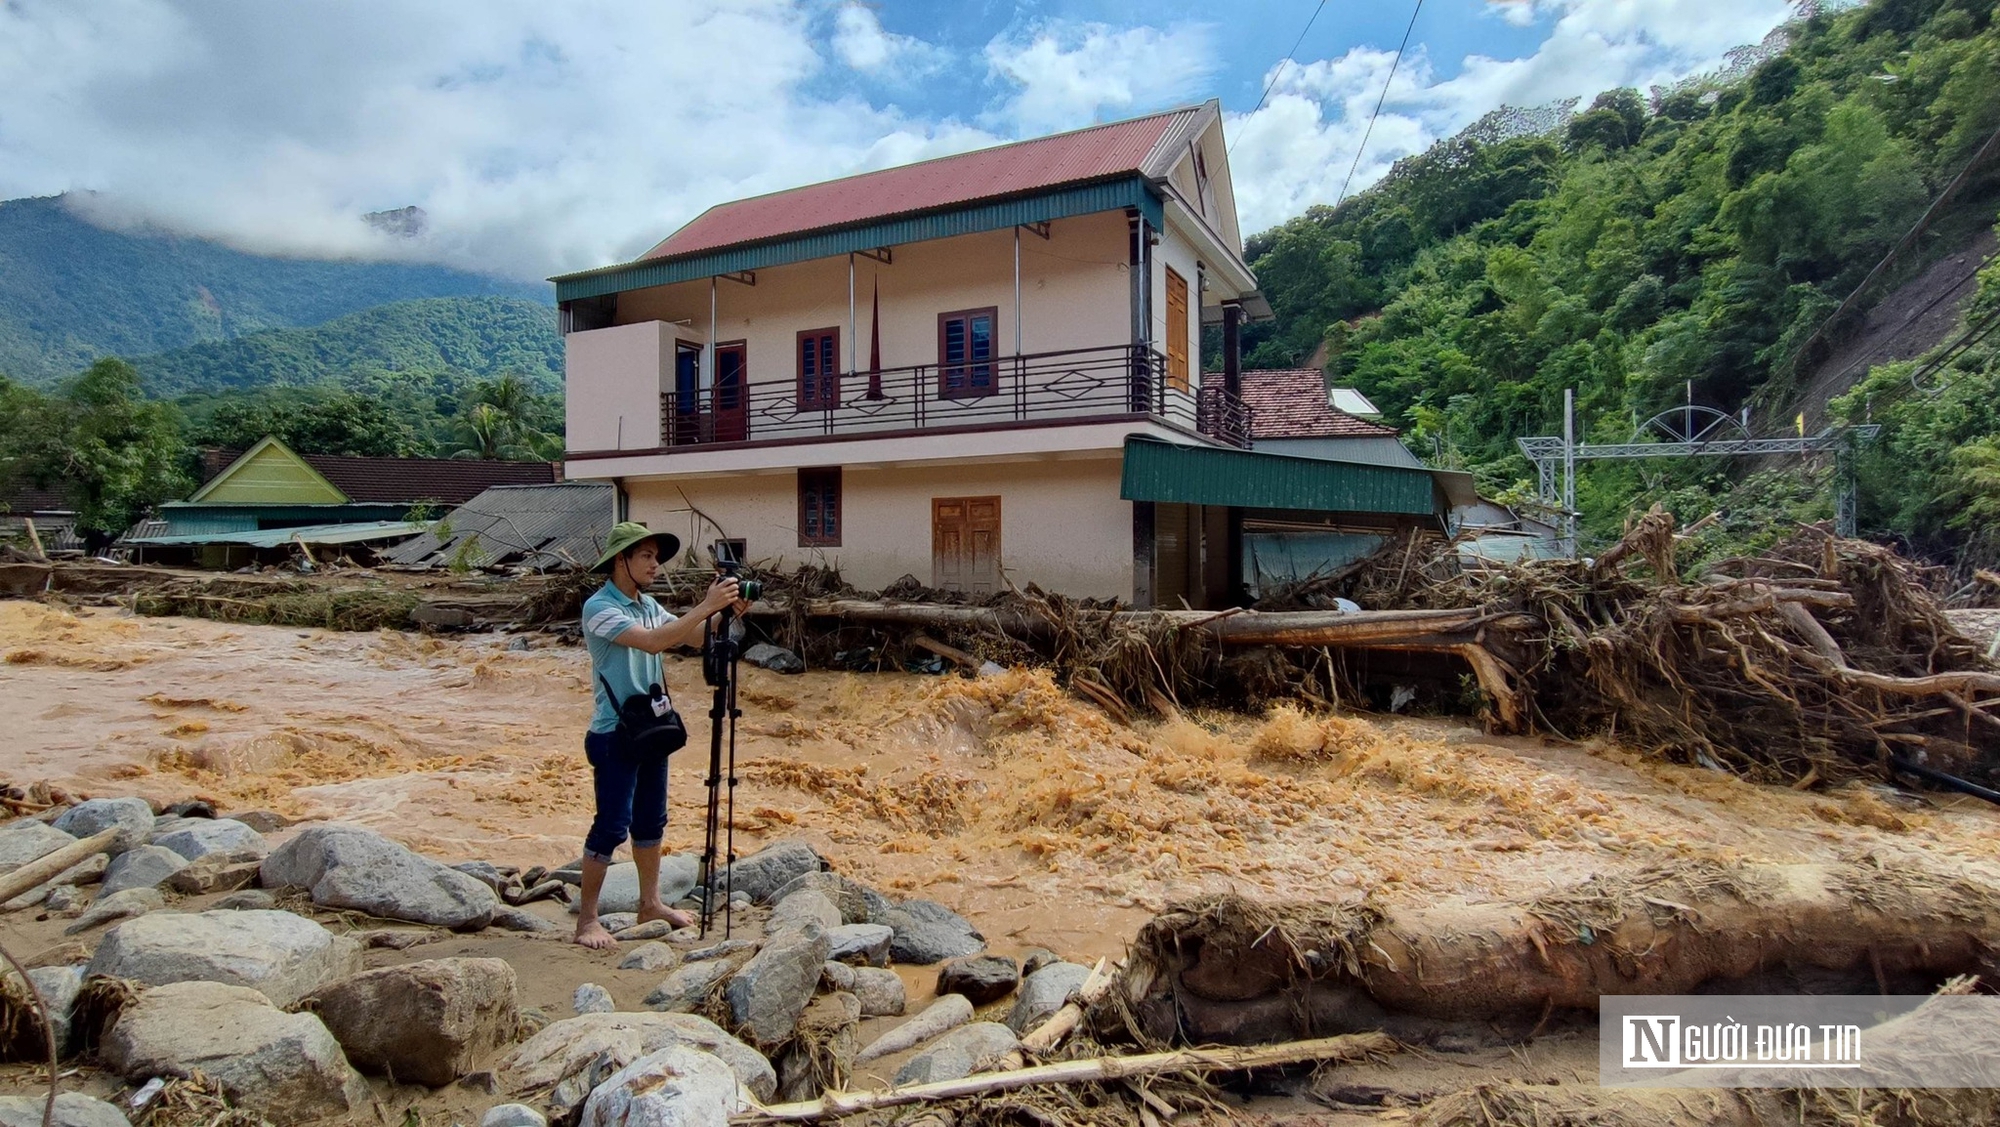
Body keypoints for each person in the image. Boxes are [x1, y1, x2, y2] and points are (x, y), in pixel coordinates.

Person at [576, 521, 747, 950]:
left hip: (651, 727)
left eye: (656, 556)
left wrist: (726, 611)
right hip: (614, 733)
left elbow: (689, 637)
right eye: (646, 556)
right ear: (622, 560)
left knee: (651, 820)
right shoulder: (599, 608)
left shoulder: (649, 604)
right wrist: (706, 605)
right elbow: (652, 643)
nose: (655, 564)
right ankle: (586, 920)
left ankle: (649, 903)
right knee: (611, 826)